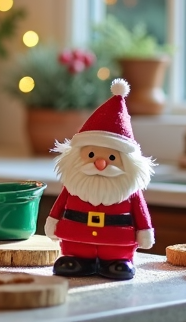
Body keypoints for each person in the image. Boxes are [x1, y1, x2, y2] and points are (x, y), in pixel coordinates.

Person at [45, 78, 156, 280]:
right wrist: (52, 222)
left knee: (117, 265)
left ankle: (117, 262)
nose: (100, 164)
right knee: (73, 261)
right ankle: (76, 260)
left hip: (117, 244)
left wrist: (145, 231)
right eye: (91, 155)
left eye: (112, 158)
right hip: (75, 241)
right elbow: (59, 205)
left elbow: (140, 212)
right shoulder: (74, 184)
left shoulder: (128, 189)